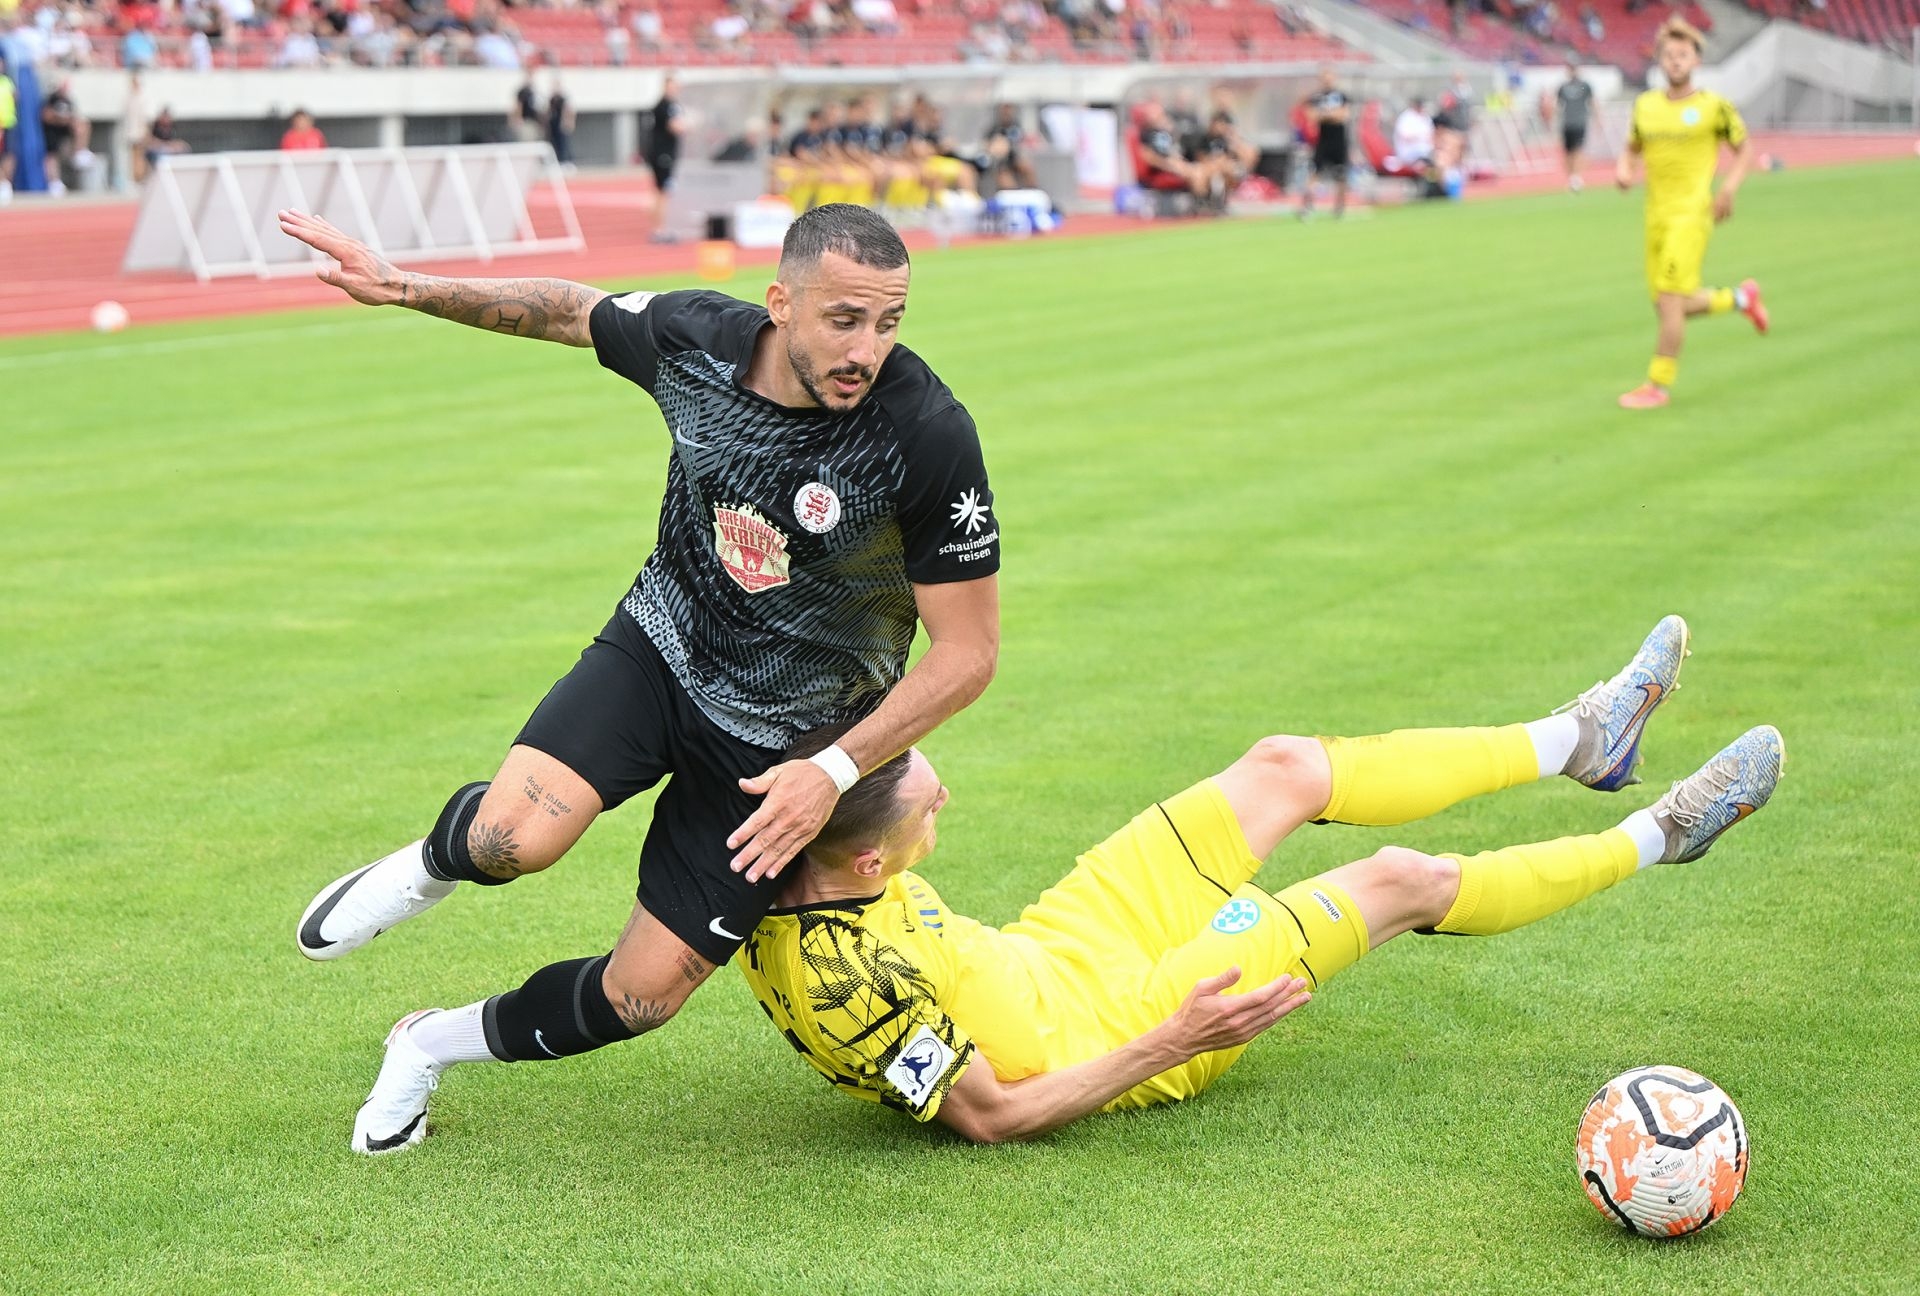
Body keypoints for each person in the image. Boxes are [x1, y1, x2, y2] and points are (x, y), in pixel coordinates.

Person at [278, 203, 1002, 1154]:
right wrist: (405, 286)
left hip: (787, 747)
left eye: (888, 322)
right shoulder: (695, 340)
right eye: (844, 319)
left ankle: (423, 1046)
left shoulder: (924, 432)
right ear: (781, 302)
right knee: (508, 841)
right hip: (662, 649)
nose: (867, 349)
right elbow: (567, 310)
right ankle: (430, 866)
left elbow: (968, 654)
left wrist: (829, 772)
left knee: (642, 996)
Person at [734, 618, 1783, 1140]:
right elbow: (992, 1115)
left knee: (1283, 764)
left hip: (1061, 944)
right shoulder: (850, 988)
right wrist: (1173, 1040)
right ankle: (1664, 832)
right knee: (1399, 878)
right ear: (866, 863)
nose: (946, 799)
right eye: (928, 807)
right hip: (1131, 1024)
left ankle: (1582, 740)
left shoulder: (788, 834)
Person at [1614, 17, 1768, 410]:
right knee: (1670, 305)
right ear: (1660, 60)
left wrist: (1728, 189)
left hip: (1691, 215)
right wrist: (1624, 169)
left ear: (1696, 60)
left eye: (1683, 54)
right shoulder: (1646, 106)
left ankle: (1657, 385)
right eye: (1669, 54)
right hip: (1655, 217)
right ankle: (1741, 299)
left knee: (1669, 301)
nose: (1676, 60)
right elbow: (1631, 148)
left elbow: (1745, 150)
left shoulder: (1713, 107)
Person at [1300, 67, 1351, 220]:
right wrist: (1331, 114)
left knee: (1341, 175)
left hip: (1339, 140)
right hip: (1323, 140)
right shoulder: (1316, 97)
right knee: (1314, 172)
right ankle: (1307, 206)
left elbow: (1343, 115)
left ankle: (1339, 208)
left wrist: (1325, 114)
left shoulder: (1341, 96)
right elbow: (1312, 117)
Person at [1553, 61, 1594, 192]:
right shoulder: (1563, 87)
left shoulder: (1584, 86)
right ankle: (1571, 177)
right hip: (1567, 123)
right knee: (1568, 151)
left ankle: (1577, 177)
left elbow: (1592, 102)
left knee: (1578, 149)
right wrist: (1553, 120)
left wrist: (1598, 118)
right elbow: (1557, 105)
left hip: (1580, 122)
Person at [646, 73, 684, 195]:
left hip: (665, 152)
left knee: (663, 189)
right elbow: (674, 126)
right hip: (662, 153)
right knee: (664, 190)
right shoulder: (665, 105)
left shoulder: (671, 105)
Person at [1392, 96, 1434, 169]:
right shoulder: (1406, 117)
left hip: (1426, 150)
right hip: (1409, 151)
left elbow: (1431, 135)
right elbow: (1405, 137)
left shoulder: (1426, 117)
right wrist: (1420, 137)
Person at [546, 81, 574, 169]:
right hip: (553, 124)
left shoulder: (563, 99)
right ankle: (557, 161)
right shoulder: (552, 99)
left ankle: (566, 160)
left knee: (563, 142)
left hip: (561, 123)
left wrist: (568, 122)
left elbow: (568, 110)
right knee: (554, 142)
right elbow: (549, 111)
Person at [0, 66, 15, 206]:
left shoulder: (7, 81)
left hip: (8, 123)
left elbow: (15, 97)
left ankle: (5, 183)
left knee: (8, 154)